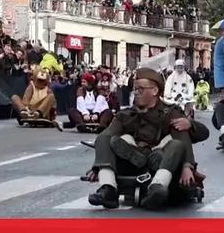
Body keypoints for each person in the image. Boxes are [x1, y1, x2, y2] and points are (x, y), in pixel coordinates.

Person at [88, 67, 209, 210]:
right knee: (105, 138)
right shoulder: (126, 114)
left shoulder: (170, 112)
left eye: (140, 89)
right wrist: (99, 165)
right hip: (131, 162)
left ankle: (157, 189)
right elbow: (107, 136)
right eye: (135, 89)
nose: (136, 93)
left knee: (175, 142)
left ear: (155, 91)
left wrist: (187, 165)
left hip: (161, 163)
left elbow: (200, 134)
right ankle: (108, 189)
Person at [11, 66, 62, 130]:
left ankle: (38, 113)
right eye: (39, 80)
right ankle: (24, 111)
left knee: (51, 96)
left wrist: (53, 115)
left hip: (42, 111)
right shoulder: (31, 86)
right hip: (29, 110)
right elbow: (26, 98)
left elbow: (53, 104)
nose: (40, 82)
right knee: (14, 97)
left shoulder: (48, 89)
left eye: (42, 81)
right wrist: (26, 107)